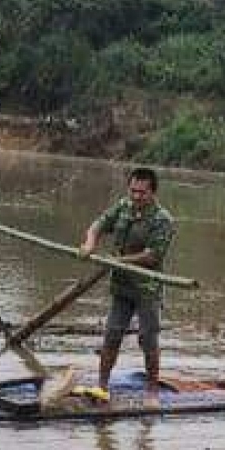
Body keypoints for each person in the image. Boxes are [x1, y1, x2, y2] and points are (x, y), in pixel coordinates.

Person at [78, 166, 176, 401]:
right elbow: (99, 224)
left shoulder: (163, 221)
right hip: (121, 286)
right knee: (112, 334)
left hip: (147, 288)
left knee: (148, 339)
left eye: (141, 193)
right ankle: (102, 385)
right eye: (133, 191)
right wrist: (90, 243)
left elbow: (152, 256)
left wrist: (117, 260)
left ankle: (152, 391)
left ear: (153, 193)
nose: (136, 197)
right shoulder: (123, 207)